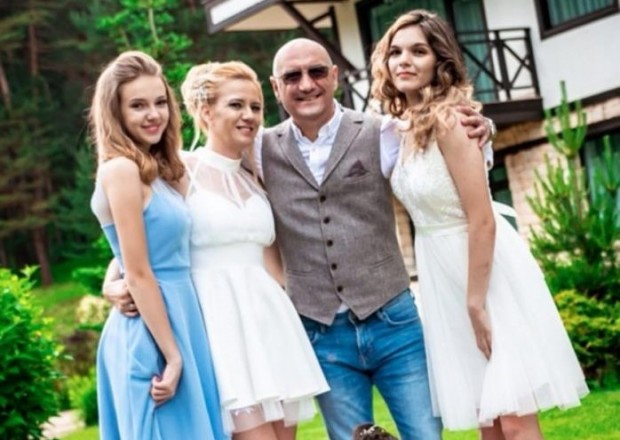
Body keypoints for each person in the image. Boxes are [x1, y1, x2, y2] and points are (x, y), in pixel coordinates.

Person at [255, 38, 490, 440]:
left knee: (425, 435)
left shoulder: (382, 131)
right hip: (321, 332)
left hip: (393, 320)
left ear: (334, 77)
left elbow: (439, 134)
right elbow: (206, 174)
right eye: (292, 77)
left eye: (316, 72)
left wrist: (486, 126)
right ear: (276, 87)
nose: (306, 84)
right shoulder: (259, 149)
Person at [371, 10, 588, 439]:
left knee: (514, 416)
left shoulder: (453, 120)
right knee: (486, 415)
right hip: (440, 273)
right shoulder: (397, 131)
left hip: (483, 269)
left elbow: (482, 218)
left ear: (440, 61)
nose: (404, 61)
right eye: (395, 52)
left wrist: (475, 302)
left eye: (418, 51)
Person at [106, 60, 330, 440]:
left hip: (269, 325)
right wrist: (111, 281)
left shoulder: (256, 175)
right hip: (218, 326)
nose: (249, 115)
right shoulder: (178, 172)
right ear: (206, 111)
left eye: (255, 107)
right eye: (236, 105)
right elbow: (143, 236)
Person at [89, 51, 226, 440]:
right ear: (116, 113)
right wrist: (173, 355)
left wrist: (109, 280)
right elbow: (137, 269)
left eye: (160, 102)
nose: (153, 114)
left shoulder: (160, 170)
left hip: (182, 318)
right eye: (138, 105)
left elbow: (135, 245)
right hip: (152, 330)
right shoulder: (121, 169)